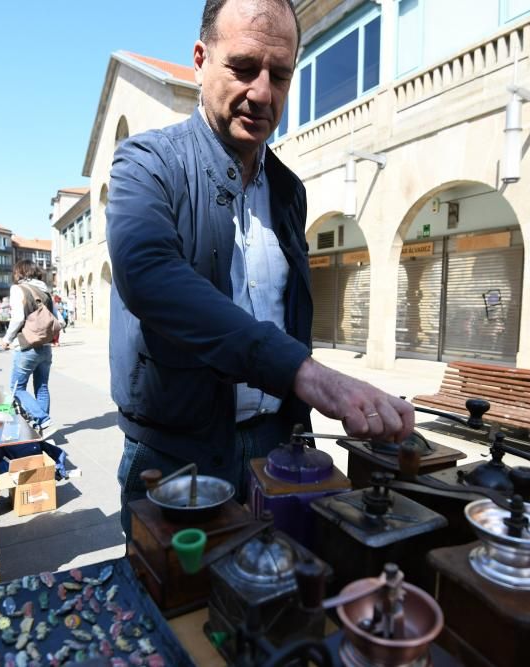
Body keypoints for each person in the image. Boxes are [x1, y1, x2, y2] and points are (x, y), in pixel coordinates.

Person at [106, 0, 414, 535]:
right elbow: (148, 274)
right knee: (171, 612)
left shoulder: (289, 190)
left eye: (280, 74)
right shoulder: (146, 163)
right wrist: (305, 372)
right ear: (201, 60)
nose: (263, 93)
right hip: (181, 452)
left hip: (280, 440)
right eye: (244, 68)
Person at [1, 260, 59, 433]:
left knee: (16, 388)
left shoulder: (18, 289)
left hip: (27, 346)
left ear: (19, 272)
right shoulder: (45, 289)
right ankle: (43, 427)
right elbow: (58, 319)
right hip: (46, 346)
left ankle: (43, 420)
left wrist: (7, 338)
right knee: (42, 386)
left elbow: (18, 317)